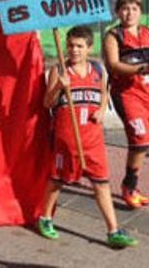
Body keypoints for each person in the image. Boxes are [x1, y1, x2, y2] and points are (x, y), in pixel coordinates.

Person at [38, 25, 138, 248]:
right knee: (58, 180)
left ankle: (113, 230)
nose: (74, 50)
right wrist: (58, 88)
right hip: (67, 137)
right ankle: (45, 218)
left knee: (101, 183)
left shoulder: (98, 70)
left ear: (89, 48)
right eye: (71, 45)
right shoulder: (60, 70)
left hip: (92, 139)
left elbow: (104, 93)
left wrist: (102, 109)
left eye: (79, 46)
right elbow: (47, 103)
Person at [103, 0, 149, 209]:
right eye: (124, 8)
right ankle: (128, 186)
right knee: (140, 138)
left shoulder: (147, 33)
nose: (129, 13)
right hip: (126, 94)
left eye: (134, 8)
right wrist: (141, 68)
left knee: (144, 142)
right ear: (118, 12)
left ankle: (134, 186)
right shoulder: (114, 36)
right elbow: (113, 65)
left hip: (146, 92)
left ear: (140, 11)